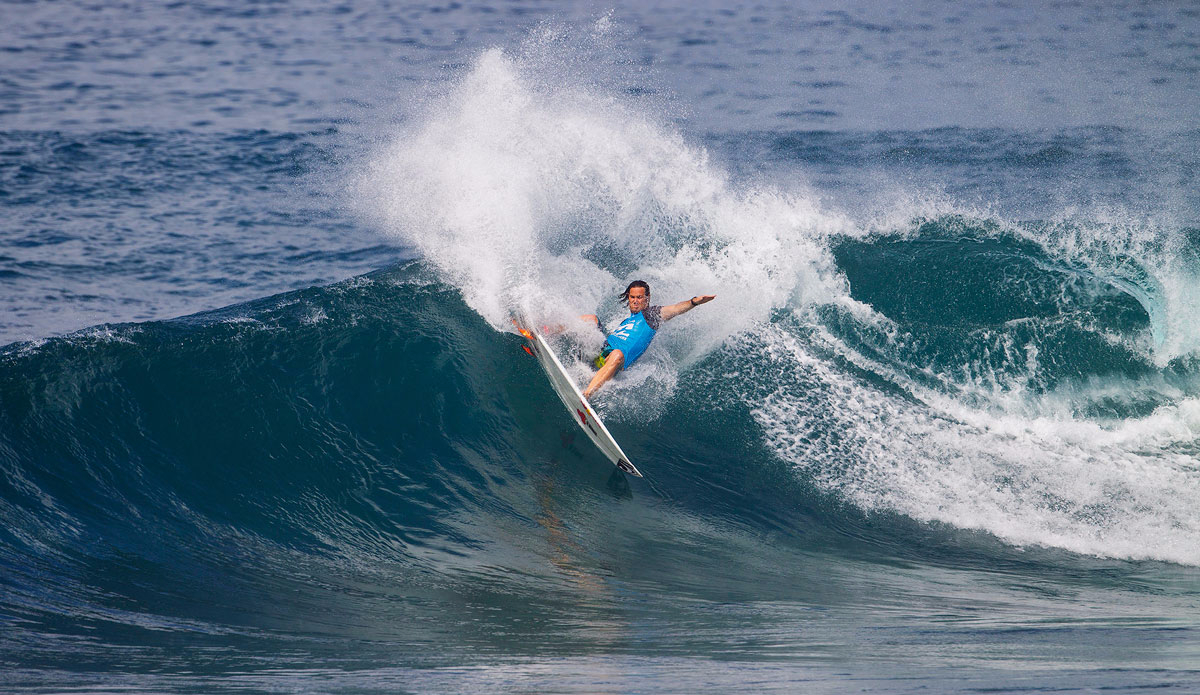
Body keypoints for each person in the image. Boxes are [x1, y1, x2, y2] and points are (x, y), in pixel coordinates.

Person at [580, 280, 715, 399]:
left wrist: (693, 302)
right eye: (632, 297)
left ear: (647, 298)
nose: (635, 300)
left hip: (614, 361)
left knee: (617, 354)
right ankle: (558, 329)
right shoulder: (627, 320)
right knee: (591, 319)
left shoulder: (651, 315)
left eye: (639, 297)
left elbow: (675, 309)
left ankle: (586, 395)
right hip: (600, 352)